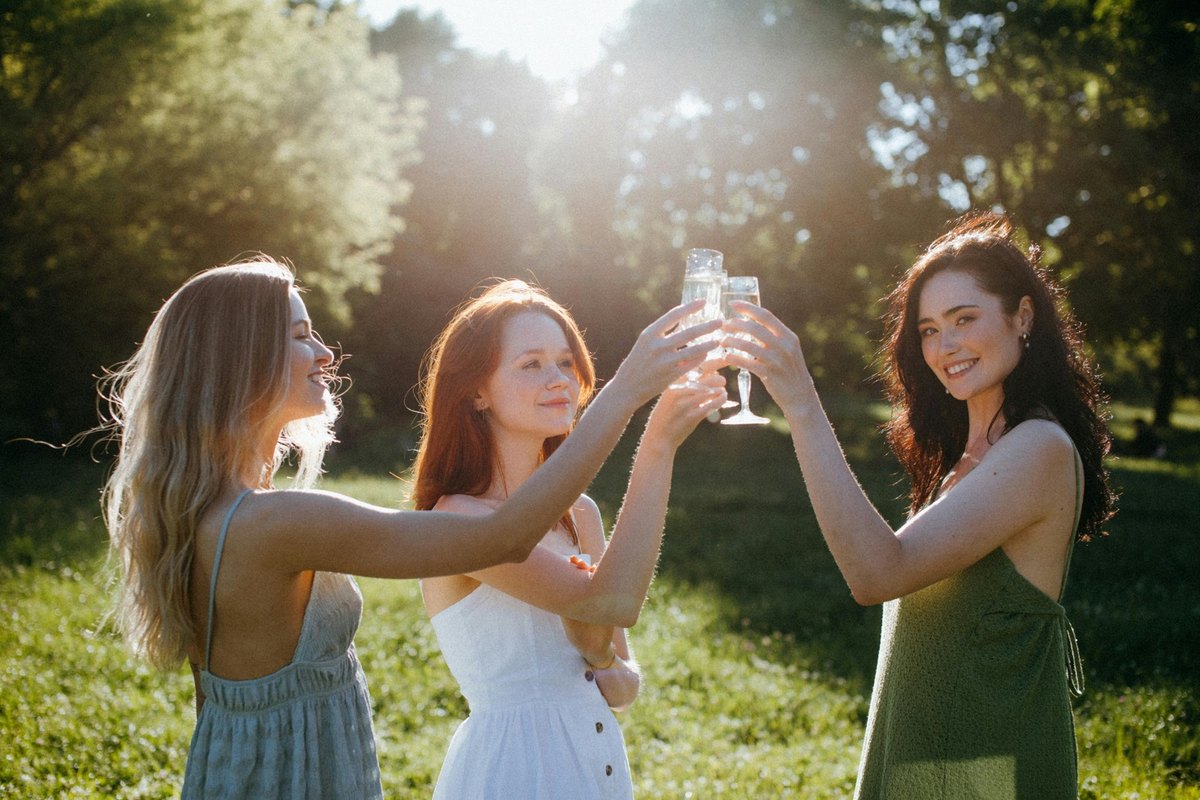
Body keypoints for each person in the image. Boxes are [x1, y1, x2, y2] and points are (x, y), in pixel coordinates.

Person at [98, 258, 719, 799]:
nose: (324, 353)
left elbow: (217, 702)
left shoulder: (237, 512)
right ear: (238, 359)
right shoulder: (276, 521)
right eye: (300, 336)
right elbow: (504, 538)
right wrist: (630, 400)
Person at [723, 212, 1115, 799]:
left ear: (1023, 317)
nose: (945, 345)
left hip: (988, 770)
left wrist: (801, 401)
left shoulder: (1038, 449)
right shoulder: (971, 452)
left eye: (964, 319)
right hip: (928, 756)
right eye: (929, 329)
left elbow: (877, 572)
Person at [413, 280, 726, 800]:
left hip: (598, 772)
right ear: (476, 391)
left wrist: (600, 656)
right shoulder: (457, 520)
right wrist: (657, 442)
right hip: (514, 775)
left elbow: (623, 690)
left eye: (565, 362)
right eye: (531, 364)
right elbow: (613, 602)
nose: (559, 379)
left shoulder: (580, 515)